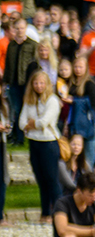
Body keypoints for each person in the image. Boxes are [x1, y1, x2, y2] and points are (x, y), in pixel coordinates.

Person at [22, 70, 63, 222]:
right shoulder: (29, 100)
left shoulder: (52, 100)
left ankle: (58, 213)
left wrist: (32, 123)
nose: (39, 86)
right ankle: (45, 212)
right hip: (34, 142)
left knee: (51, 179)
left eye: (41, 83)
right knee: (41, 179)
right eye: (36, 83)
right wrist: (33, 124)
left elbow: (43, 122)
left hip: (48, 143)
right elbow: (21, 122)